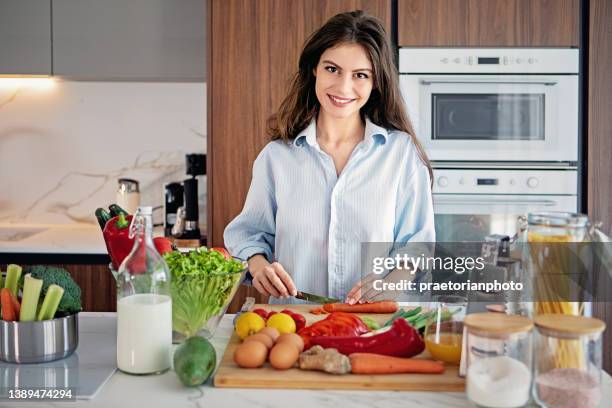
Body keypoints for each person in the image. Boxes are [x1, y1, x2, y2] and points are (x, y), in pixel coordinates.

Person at [224, 10, 434, 305]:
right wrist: (259, 267)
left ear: (376, 83)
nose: (343, 87)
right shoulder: (276, 158)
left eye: (360, 75)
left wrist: (392, 283)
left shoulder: (401, 155)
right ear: (314, 69)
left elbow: (418, 245)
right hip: (295, 323)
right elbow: (248, 235)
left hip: (374, 325)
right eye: (332, 69)